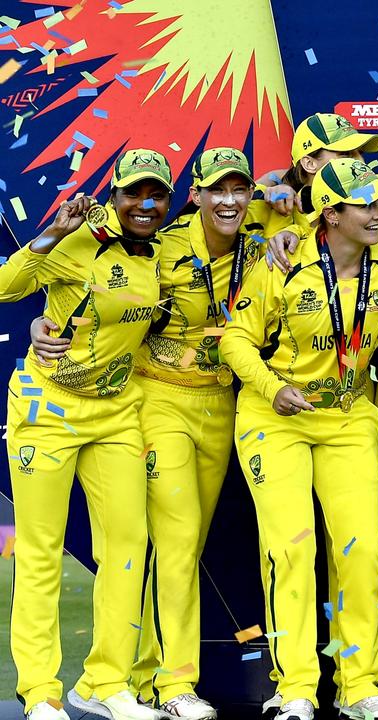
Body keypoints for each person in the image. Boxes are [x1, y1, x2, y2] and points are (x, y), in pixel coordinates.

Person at [27, 150, 274, 720]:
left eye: (241, 190)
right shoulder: (161, 243)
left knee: (178, 547)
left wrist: (282, 195)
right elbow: (93, 287)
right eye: (217, 190)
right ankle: (173, 684)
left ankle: (136, 679)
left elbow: (328, 221)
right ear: (197, 194)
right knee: (177, 537)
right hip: (156, 399)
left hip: (223, 402)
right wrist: (50, 321)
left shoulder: (265, 240)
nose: (230, 201)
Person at [220, 158, 378, 720]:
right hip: (275, 415)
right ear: (331, 214)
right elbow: (235, 339)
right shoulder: (282, 263)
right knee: (292, 549)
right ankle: (297, 689)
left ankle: (360, 686)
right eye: (365, 205)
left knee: (361, 551)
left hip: (350, 414)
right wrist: (271, 385)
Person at [1, 149, 175, 720]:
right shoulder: (83, 237)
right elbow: (6, 286)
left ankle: (105, 684)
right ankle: (41, 692)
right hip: (47, 408)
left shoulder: (166, 251)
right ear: (115, 193)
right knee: (41, 552)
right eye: (134, 194)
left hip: (117, 412)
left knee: (128, 546)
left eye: (157, 195)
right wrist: (49, 236)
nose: (145, 205)